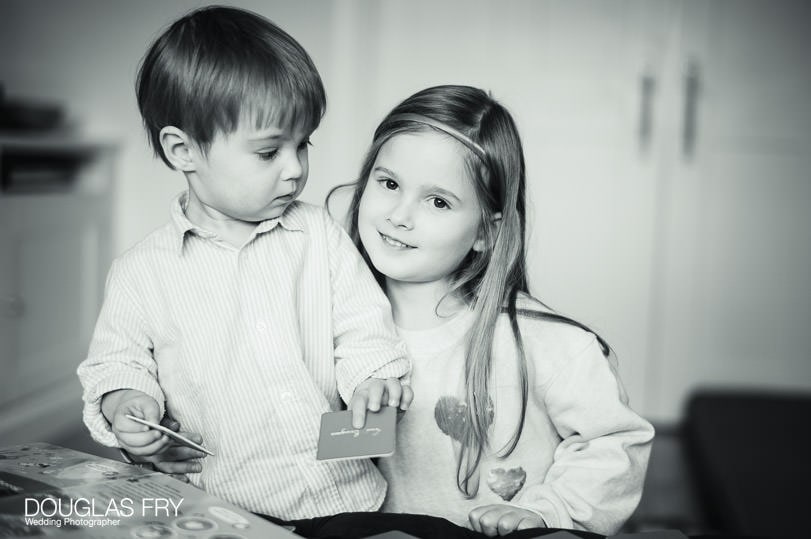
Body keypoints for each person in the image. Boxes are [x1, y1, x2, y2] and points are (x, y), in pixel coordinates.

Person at [76, 5, 412, 520]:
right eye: (268, 152)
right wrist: (124, 402)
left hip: (347, 497)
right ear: (183, 150)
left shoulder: (317, 233)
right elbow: (117, 363)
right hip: (227, 507)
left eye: (303, 145)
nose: (295, 169)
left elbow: (363, 324)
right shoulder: (140, 272)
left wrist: (372, 378)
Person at [334, 84, 655, 536]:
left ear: (486, 231)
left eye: (438, 201)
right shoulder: (329, 328)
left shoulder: (544, 343)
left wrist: (546, 511)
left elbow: (616, 443)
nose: (400, 215)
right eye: (389, 184)